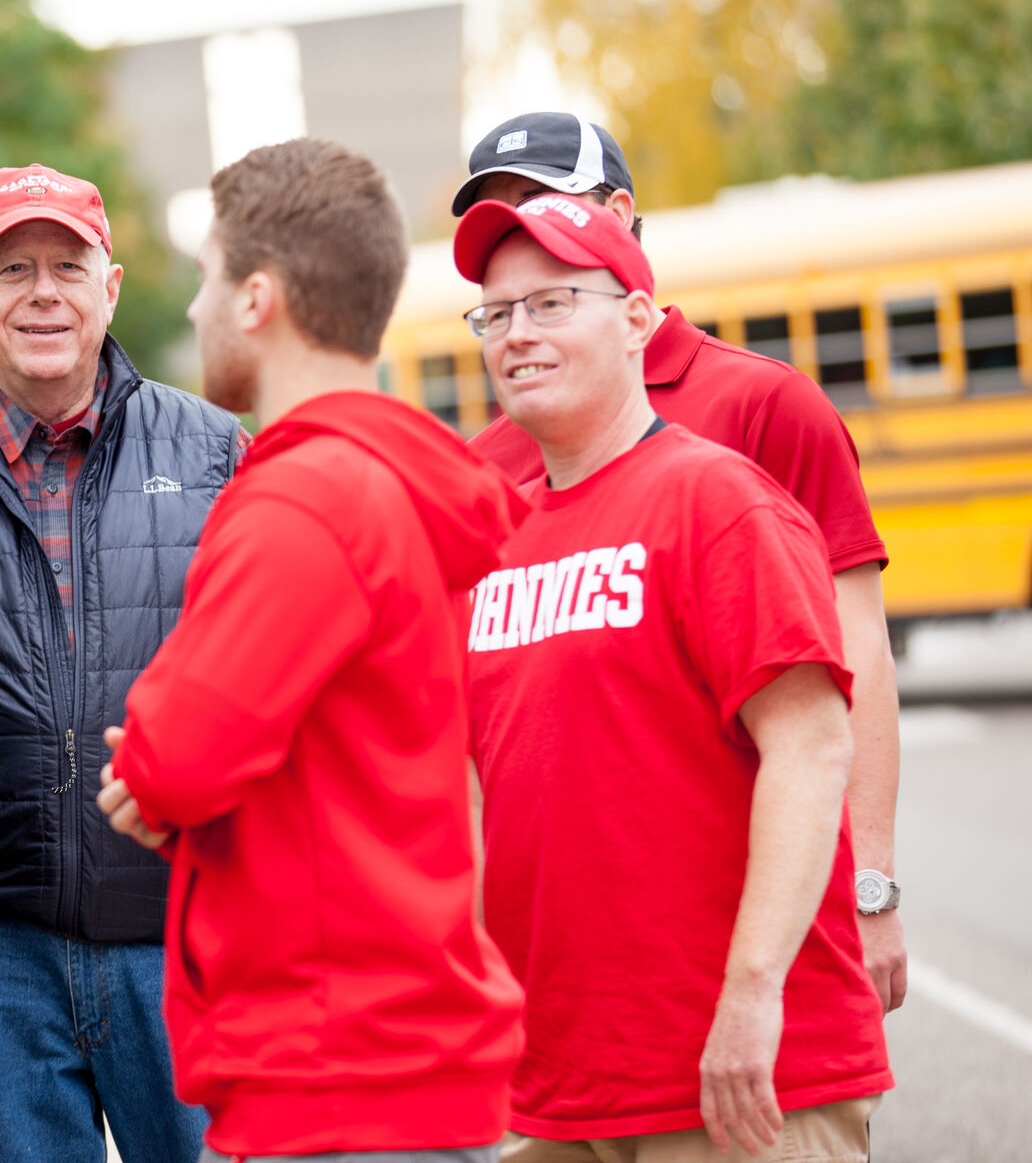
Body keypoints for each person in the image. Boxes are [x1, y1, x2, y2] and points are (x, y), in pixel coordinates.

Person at [97, 138, 527, 1162]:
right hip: (383, 1061)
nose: (196, 310)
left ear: (258, 297)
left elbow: (177, 752)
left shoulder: (303, 497)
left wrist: (154, 774)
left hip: (338, 1075)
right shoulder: (381, 483)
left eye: (208, 279)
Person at [454, 193, 892, 1161]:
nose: (517, 334)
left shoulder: (716, 500)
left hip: (741, 1076)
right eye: (497, 312)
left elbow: (813, 745)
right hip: (565, 1083)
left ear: (639, 320)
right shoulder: (493, 539)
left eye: (553, 302)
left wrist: (751, 993)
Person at [0, 163, 241, 1163]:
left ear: (109, 286)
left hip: (183, 933)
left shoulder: (215, 450)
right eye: (12, 266)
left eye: (68, 265)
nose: (43, 292)